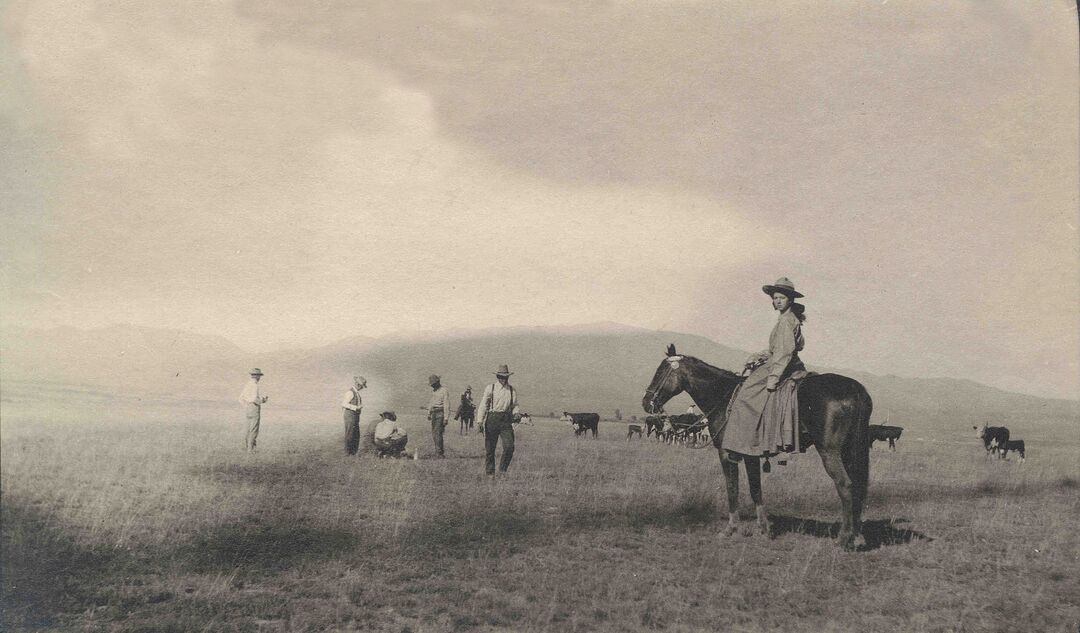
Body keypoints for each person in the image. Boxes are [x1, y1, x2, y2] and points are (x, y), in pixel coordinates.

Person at [724, 277, 808, 458]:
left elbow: (784, 352)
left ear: (790, 300)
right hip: (783, 362)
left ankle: (743, 446)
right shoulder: (788, 319)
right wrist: (757, 356)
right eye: (775, 297)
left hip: (781, 366)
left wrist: (773, 378)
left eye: (782, 298)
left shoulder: (786, 321)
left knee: (746, 394)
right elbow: (778, 349)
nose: (778, 301)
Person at [477, 364, 521, 476]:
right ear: (497, 376)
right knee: (490, 449)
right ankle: (490, 473)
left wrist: (516, 413)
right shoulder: (490, 388)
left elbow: (515, 405)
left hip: (506, 420)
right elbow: (483, 405)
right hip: (492, 419)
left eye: (505, 376)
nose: (503, 379)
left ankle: (502, 471)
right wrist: (479, 421)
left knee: (509, 447)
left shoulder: (512, 390)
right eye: (501, 376)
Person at [237, 368, 268, 452]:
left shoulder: (247, 384)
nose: (259, 378)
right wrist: (262, 401)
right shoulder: (255, 385)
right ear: (257, 376)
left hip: (248, 408)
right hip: (254, 407)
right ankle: (250, 450)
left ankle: (248, 447)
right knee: (254, 429)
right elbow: (254, 398)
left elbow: (240, 398)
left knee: (247, 429)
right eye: (259, 376)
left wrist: (246, 406)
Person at [341, 375, 367, 455]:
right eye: (362, 386)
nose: (362, 388)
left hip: (354, 416)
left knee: (355, 434)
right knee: (350, 434)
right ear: (358, 385)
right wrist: (356, 407)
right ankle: (347, 453)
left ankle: (353, 453)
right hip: (350, 416)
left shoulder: (356, 393)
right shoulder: (350, 392)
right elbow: (344, 404)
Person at [427, 374, 452, 457]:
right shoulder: (434, 391)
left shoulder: (444, 390)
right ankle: (438, 451)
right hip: (434, 413)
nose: (432, 386)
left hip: (440, 413)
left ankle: (439, 453)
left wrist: (446, 418)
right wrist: (429, 413)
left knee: (438, 433)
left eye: (433, 384)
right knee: (434, 433)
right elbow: (431, 403)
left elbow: (446, 404)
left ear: (438, 382)